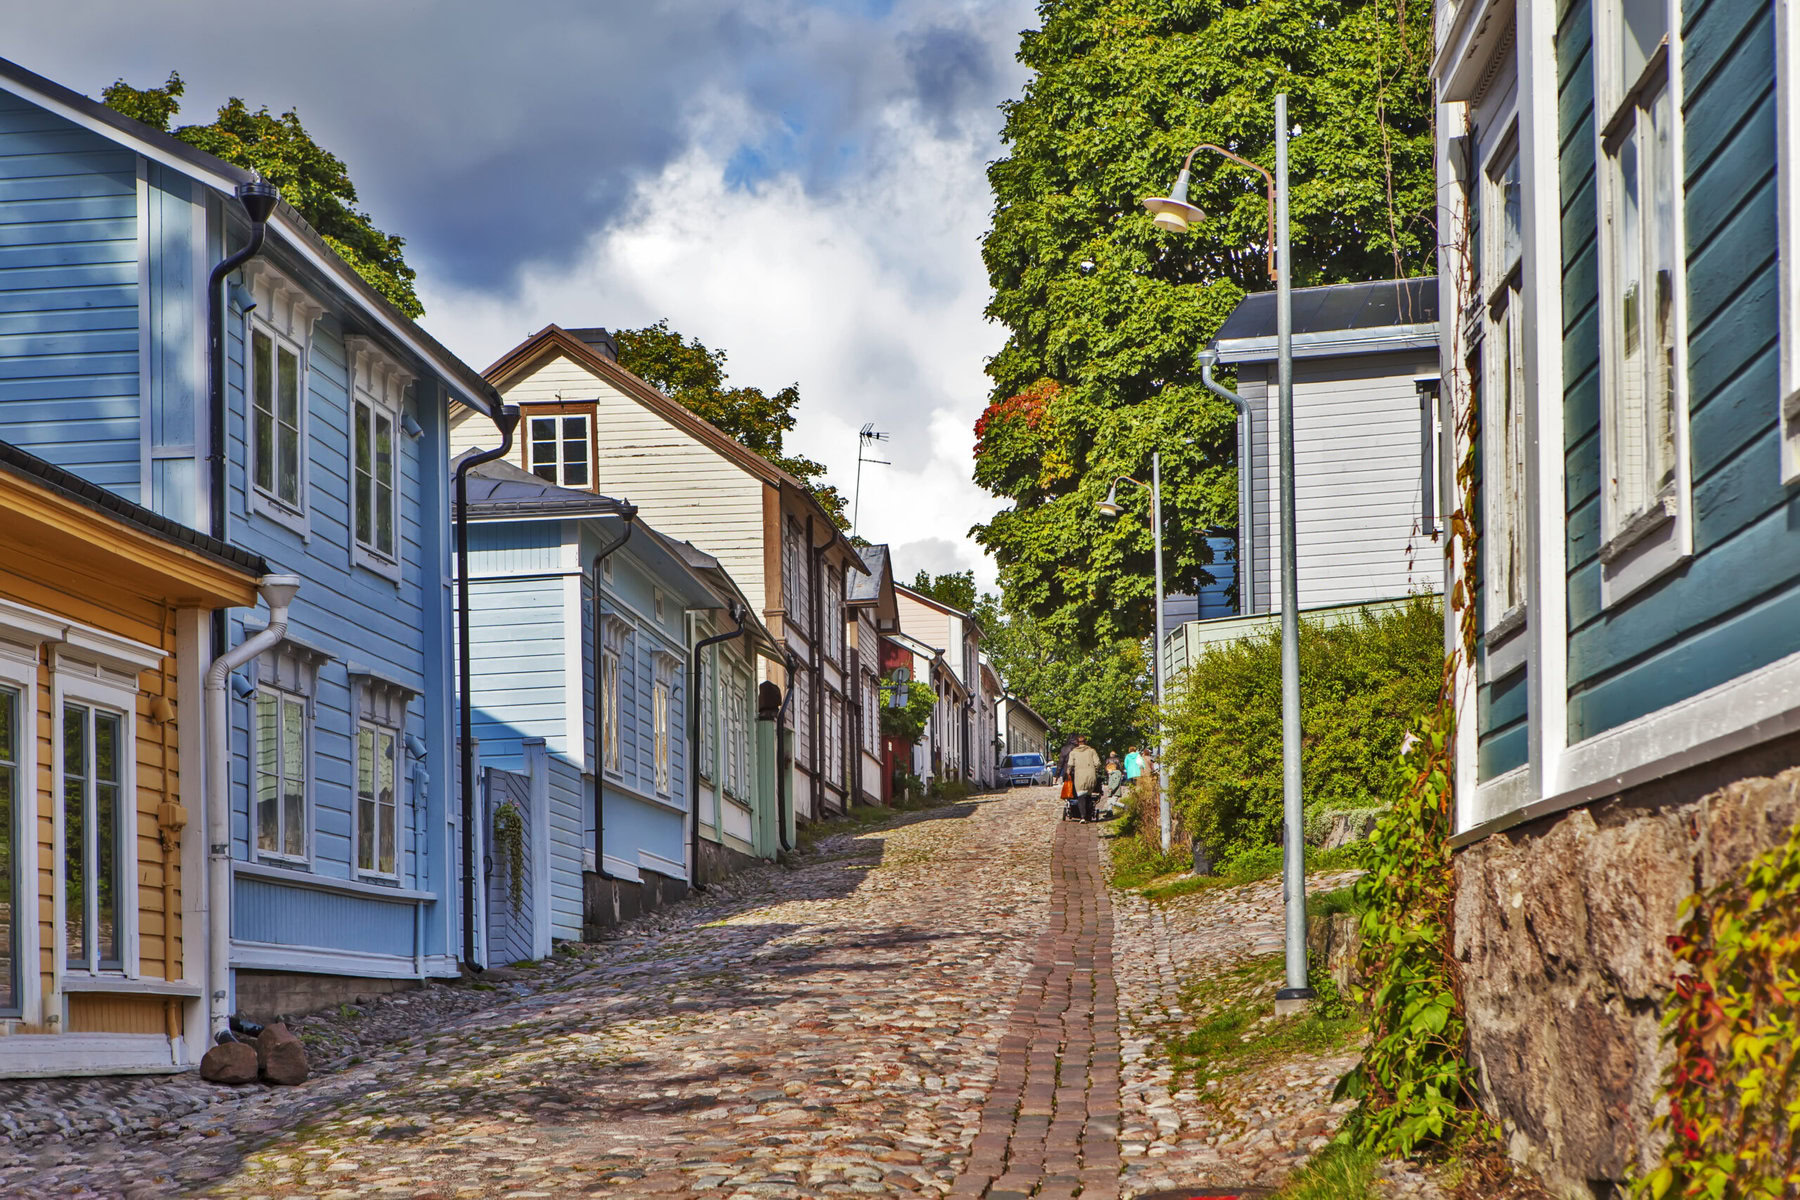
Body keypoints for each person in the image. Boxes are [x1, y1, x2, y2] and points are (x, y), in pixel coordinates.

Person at [1066, 735, 1102, 822]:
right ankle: (1088, 816)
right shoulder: (1092, 751)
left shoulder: (1073, 752)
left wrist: (1068, 772)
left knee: (1081, 795)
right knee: (1088, 795)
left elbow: (1070, 764)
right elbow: (1098, 763)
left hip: (1079, 775)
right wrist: (1095, 769)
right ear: (1086, 742)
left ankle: (1082, 816)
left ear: (1077, 743)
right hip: (1091, 775)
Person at [1099, 753, 1127, 819]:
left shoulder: (1115, 774)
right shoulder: (1112, 775)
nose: (1107, 772)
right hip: (1111, 791)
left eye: (1108, 770)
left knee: (1113, 802)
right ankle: (1109, 812)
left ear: (1111, 769)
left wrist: (1111, 788)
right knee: (1109, 802)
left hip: (1115, 791)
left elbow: (1116, 783)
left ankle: (1124, 806)